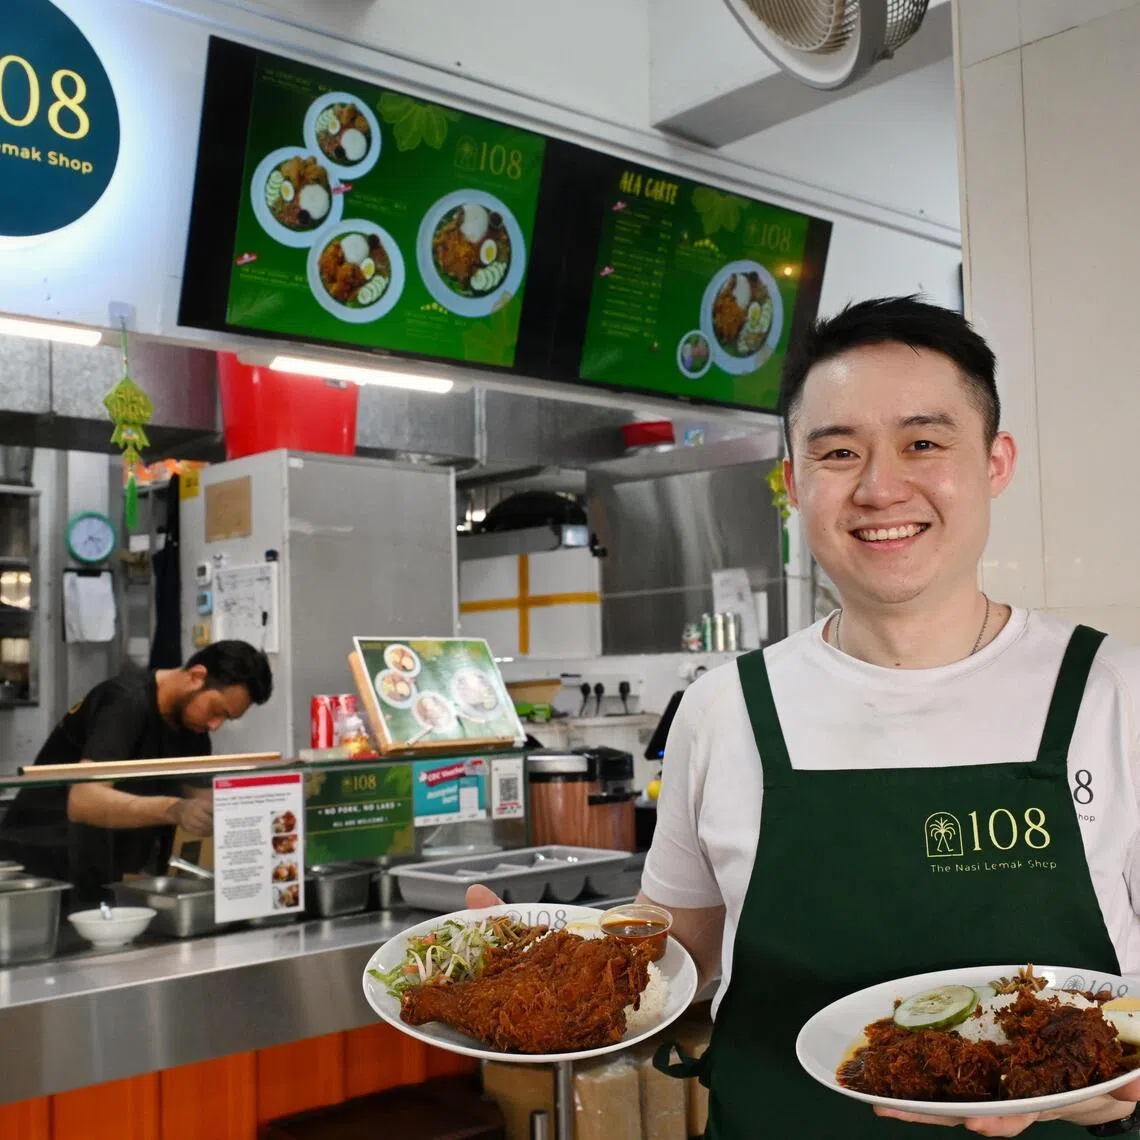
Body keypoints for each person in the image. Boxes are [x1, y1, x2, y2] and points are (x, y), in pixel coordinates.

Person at [468, 297, 1140, 1137]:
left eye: (923, 444)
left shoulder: (1115, 692)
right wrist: (546, 968)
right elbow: (681, 953)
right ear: (793, 482)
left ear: (995, 462)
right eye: (839, 452)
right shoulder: (725, 709)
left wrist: (1120, 1088)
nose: (880, 488)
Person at [0, 640, 272, 902]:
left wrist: (261, 811)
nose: (215, 725)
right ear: (196, 676)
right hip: (41, 864)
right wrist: (174, 810)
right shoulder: (125, 702)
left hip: (104, 866)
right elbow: (83, 800)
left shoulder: (192, 727)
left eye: (226, 719)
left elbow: (198, 796)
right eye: (216, 711)